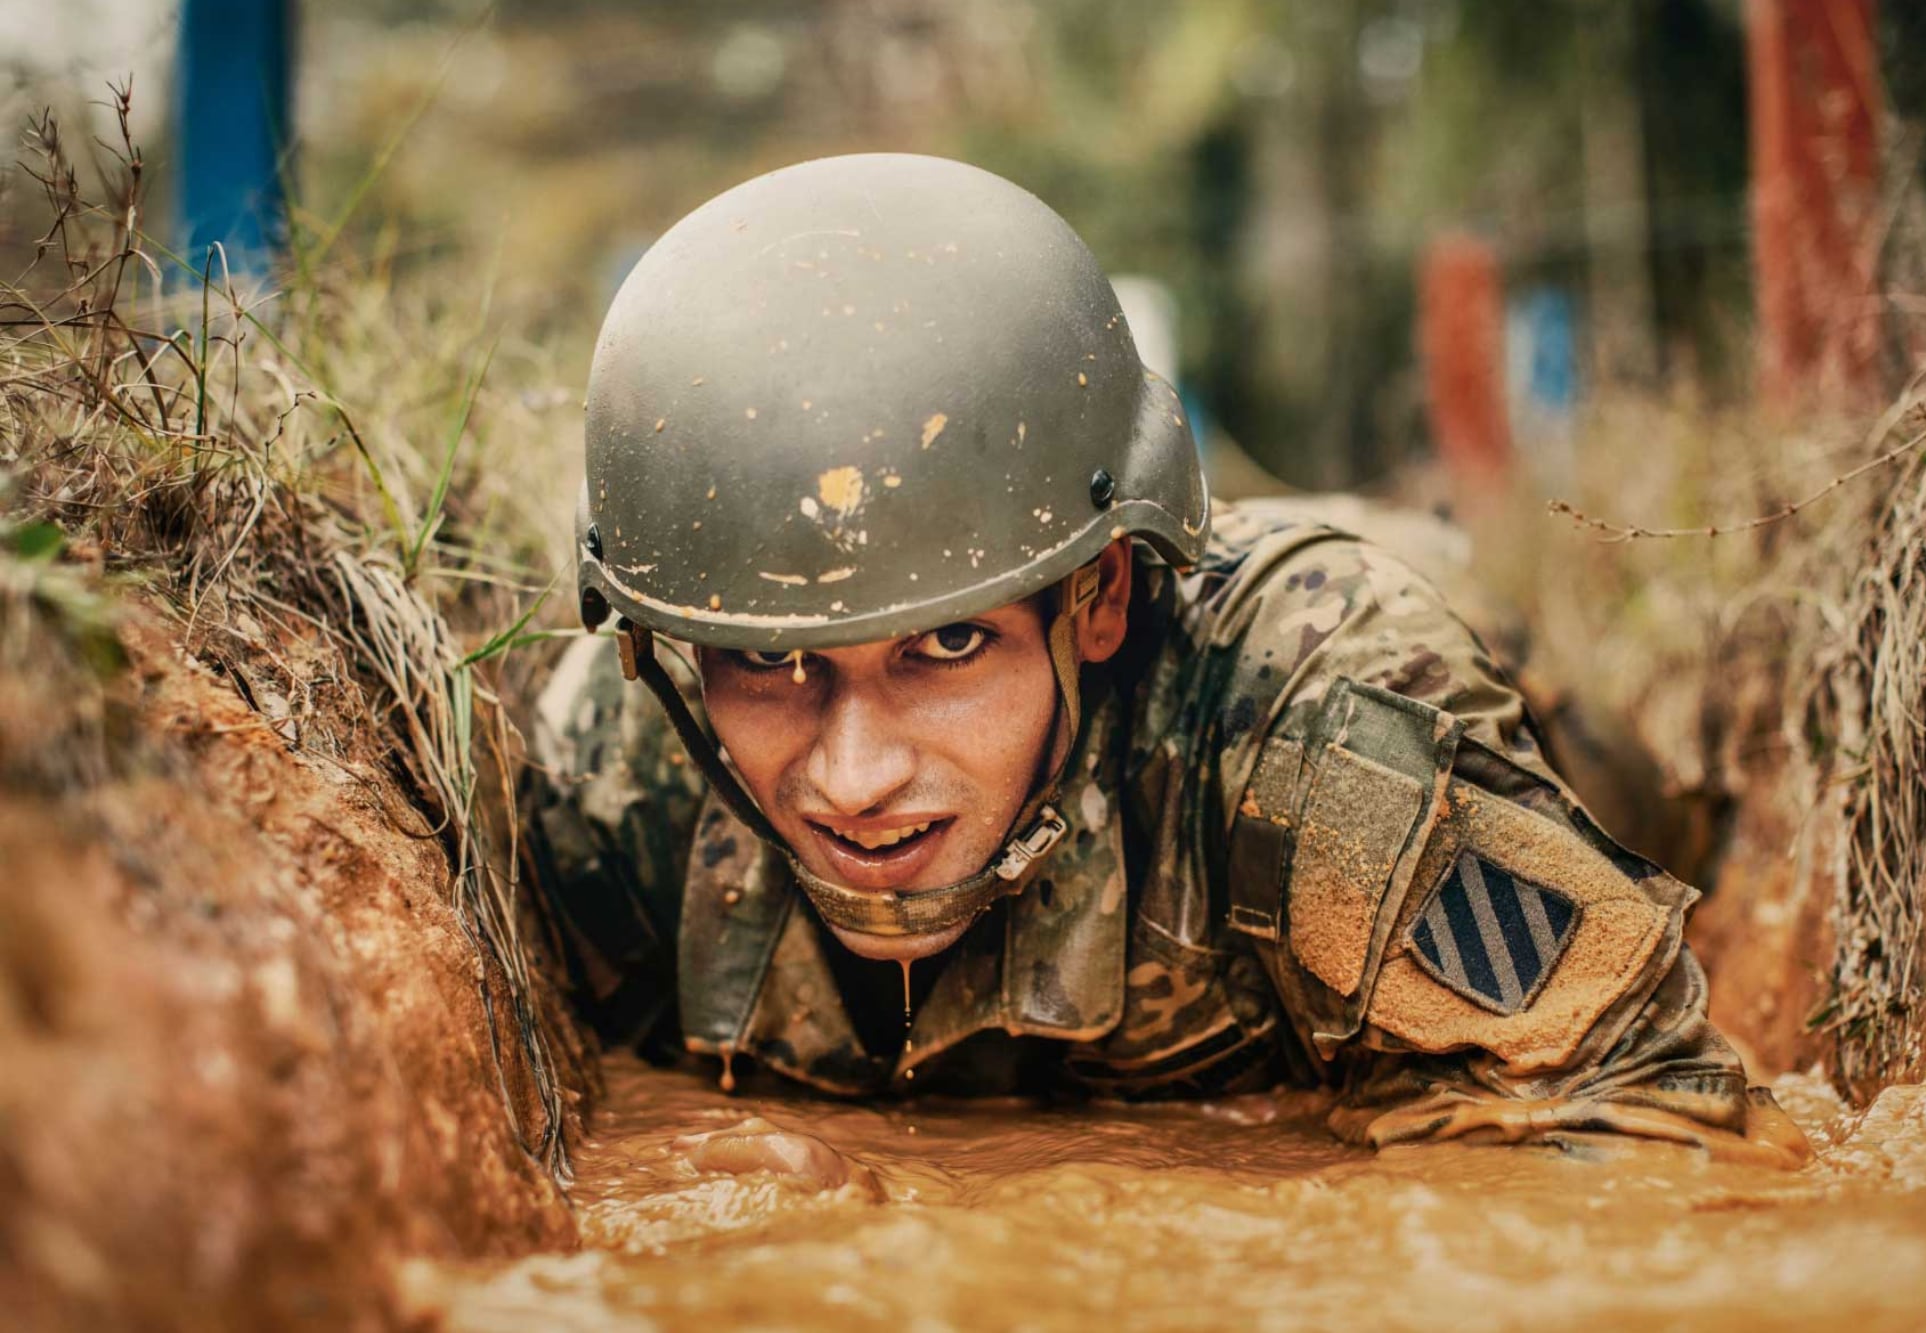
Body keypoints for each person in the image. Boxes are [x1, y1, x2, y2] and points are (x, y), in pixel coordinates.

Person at [527, 154, 1806, 1164]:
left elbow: (1646, 1129)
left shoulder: (1318, 737)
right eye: (770, 661)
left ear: (1097, 600)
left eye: (947, 644)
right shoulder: (616, 779)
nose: (850, 776)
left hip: (1517, 708)